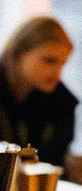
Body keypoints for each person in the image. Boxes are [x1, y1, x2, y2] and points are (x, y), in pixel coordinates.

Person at [0, 16, 77, 166]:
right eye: (49, 60)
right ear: (19, 53)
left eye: (63, 63)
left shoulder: (61, 102)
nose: (57, 72)